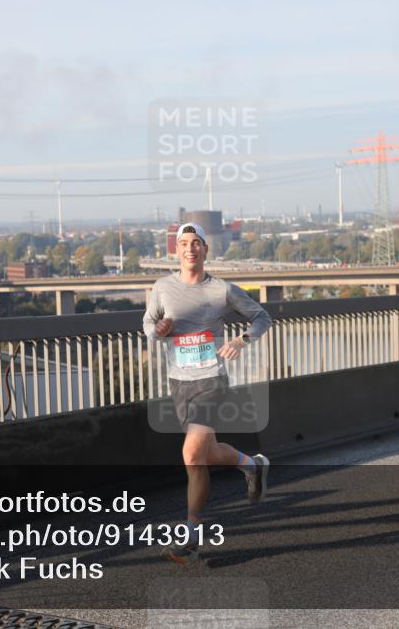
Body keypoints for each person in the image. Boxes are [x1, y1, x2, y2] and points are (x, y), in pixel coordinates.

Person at [143, 223, 273, 564]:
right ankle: (251, 465)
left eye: (196, 243)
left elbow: (262, 317)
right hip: (179, 381)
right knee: (204, 453)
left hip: (211, 380)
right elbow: (148, 324)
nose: (189, 249)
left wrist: (241, 340)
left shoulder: (222, 290)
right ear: (176, 250)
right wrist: (158, 331)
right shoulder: (162, 287)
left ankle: (191, 536)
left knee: (190, 455)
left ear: (205, 250)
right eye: (183, 244)